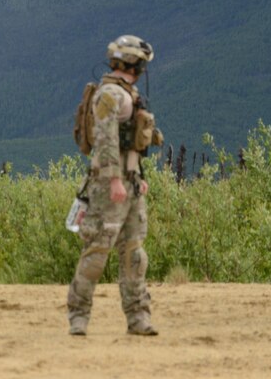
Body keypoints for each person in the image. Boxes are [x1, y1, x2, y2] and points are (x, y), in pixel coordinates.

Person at [67, 35, 161, 337]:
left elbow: (129, 141)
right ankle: (78, 317)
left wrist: (137, 176)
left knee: (135, 255)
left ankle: (138, 318)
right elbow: (106, 140)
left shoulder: (127, 95)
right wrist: (115, 180)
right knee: (97, 253)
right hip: (109, 187)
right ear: (134, 64)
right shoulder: (109, 95)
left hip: (130, 184)